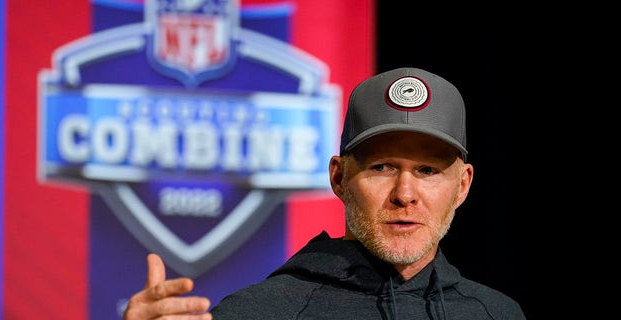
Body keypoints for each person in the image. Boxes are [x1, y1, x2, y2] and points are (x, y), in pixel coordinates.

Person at [122, 67, 525, 319]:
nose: (405, 194)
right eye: (381, 167)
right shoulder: (259, 313)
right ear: (339, 178)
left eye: (427, 171)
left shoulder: (498, 314)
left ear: (463, 186)